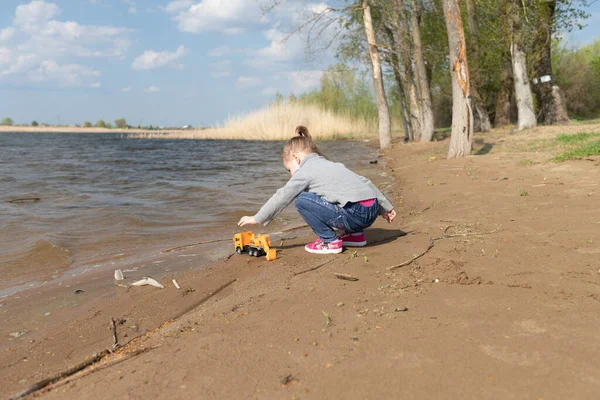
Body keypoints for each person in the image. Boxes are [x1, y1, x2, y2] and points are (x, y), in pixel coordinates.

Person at [238, 126, 397, 255]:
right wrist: (386, 207)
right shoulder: (333, 165)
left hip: (354, 214)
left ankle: (330, 241)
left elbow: (283, 195)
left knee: (301, 200)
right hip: (371, 209)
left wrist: (258, 218)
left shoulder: (305, 171)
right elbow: (366, 182)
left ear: (296, 158)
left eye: (289, 170)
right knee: (334, 195)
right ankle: (355, 236)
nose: (291, 175)